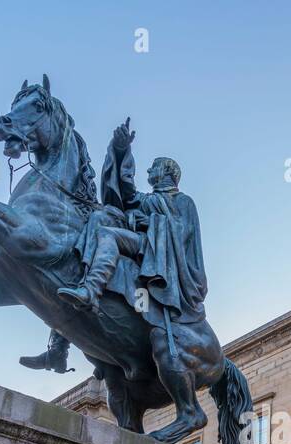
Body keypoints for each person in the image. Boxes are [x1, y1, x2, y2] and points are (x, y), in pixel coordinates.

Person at [18, 118, 207, 371]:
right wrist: (120, 150)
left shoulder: (183, 201)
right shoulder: (150, 199)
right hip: (141, 243)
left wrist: (146, 223)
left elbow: (180, 235)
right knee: (97, 218)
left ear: (167, 172)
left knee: (108, 235)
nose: (149, 171)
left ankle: (90, 290)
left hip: (157, 252)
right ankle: (59, 346)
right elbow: (125, 194)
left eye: (154, 168)